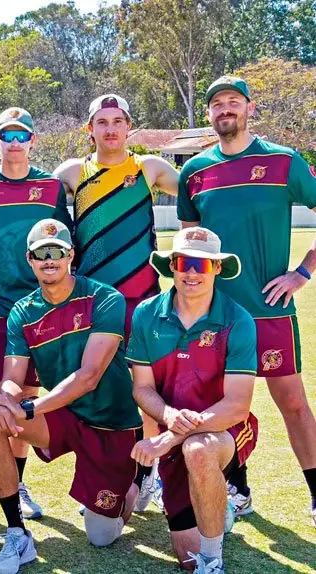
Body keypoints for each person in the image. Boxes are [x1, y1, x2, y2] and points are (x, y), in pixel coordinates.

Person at [178, 75, 316, 522]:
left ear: (250, 108)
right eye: (217, 104)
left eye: (233, 102)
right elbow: (188, 243)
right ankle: (238, 489)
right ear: (210, 114)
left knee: (293, 403)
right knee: (221, 407)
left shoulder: (283, 160)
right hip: (214, 315)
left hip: (269, 311)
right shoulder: (193, 171)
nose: (225, 111)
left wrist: (302, 272)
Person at [0, 219, 143, 574]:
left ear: (71, 254)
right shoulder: (22, 312)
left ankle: (134, 484)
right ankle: (16, 531)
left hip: (110, 424)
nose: (48, 259)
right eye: (41, 253)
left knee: (102, 535)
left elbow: (89, 376)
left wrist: (28, 407)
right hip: (64, 416)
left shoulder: (104, 297)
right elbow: (12, 377)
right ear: (30, 259)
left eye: (56, 252)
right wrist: (4, 401)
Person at [53, 93, 180, 510]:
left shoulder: (150, 168)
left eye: (117, 121)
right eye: (102, 122)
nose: (110, 129)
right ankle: (98, 474)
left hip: (143, 301)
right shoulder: (72, 173)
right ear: (89, 129)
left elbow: (201, 186)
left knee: (145, 389)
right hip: (90, 304)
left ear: (129, 127)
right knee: (92, 388)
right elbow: (38, 198)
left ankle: (148, 476)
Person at [0, 107, 73, 529]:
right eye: (5, 134)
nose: (13, 142)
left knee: (24, 400)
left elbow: (60, 242)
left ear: (32, 140)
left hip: (37, 312)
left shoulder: (49, 186)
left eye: (21, 134)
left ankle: (17, 483)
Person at [128, 226, 257, 573]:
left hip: (224, 430)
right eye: (184, 262)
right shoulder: (146, 313)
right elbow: (141, 388)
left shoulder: (238, 320)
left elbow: (236, 406)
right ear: (171, 265)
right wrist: (168, 415)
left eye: (202, 264)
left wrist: (168, 437)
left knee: (198, 450)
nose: (191, 273)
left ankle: (212, 561)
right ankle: (216, 504)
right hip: (172, 433)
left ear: (217, 268)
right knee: (185, 556)